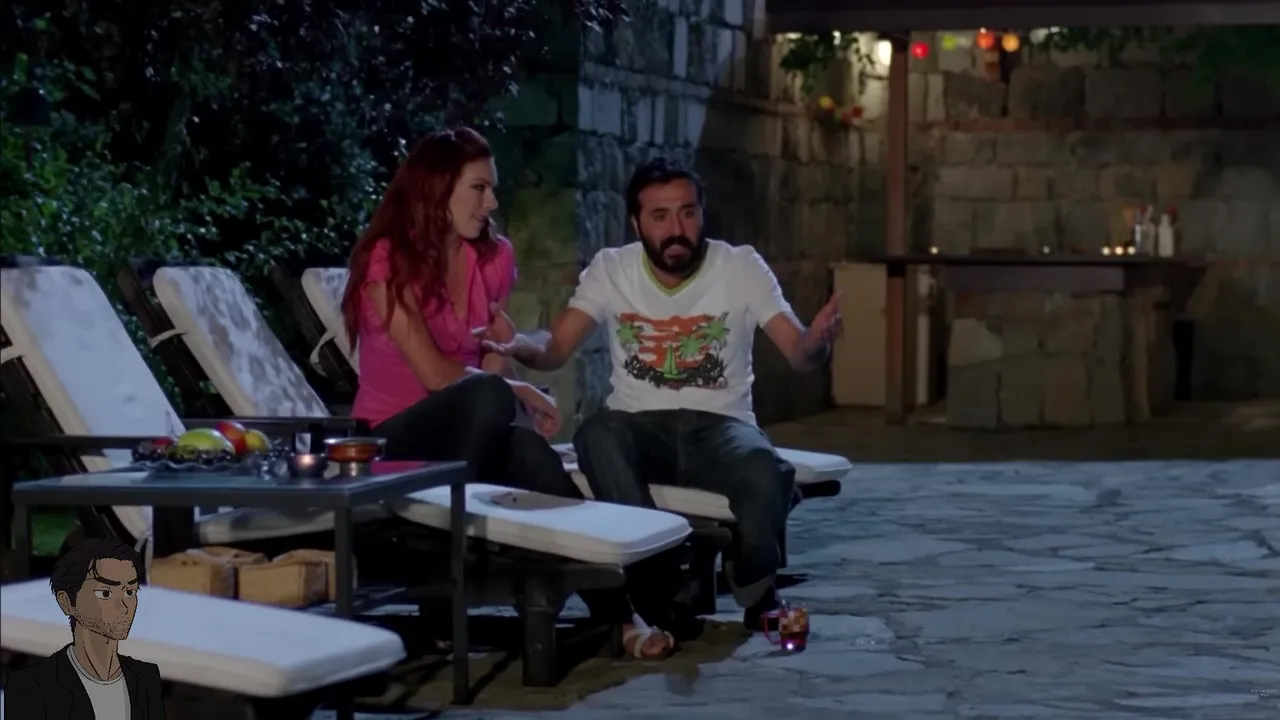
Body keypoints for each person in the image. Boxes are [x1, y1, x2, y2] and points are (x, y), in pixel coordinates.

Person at [339, 128, 674, 658]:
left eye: (491, 188)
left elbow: (491, 353)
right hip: (390, 445)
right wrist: (513, 388)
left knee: (532, 455)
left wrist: (504, 368)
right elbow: (434, 375)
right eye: (478, 188)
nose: (492, 202)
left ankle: (621, 617)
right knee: (492, 398)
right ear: (436, 190)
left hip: (465, 441)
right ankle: (442, 573)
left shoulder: (492, 258)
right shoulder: (388, 262)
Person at [480, 157, 843, 631]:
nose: (677, 229)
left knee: (765, 469)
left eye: (688, 213)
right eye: (660, 216)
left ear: (702, 214)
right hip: (638, 427)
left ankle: (757, 594)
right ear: (636, 224)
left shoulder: (740, 266)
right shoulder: (612, 269)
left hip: (722, 429)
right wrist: (521, 344)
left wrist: (817, 342)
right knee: (596, 435)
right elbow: (557, 346)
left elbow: (798, 350)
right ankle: (657, 580)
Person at [4, 538, 166, 719]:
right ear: (67, 602)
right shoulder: (30, 686)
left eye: (130, 592)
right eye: (105, 593)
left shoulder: (146, 678)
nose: (124, 606)